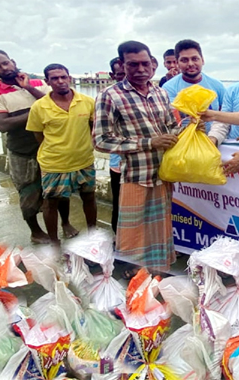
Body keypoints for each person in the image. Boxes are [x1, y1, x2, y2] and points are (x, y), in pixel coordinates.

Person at [93, 40, 182, 275]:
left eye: (145, 64)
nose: (140, 69)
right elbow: (101, 141)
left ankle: (156, 268)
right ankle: (133, 271)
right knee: (133, 229)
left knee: (160, 227)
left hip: (163, 172)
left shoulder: (160, 93)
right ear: (122, 65)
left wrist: (191, 129)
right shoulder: (109, 96)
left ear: (152, 64)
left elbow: (172, 126)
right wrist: (149, 143)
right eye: (133, 65)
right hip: (135, 174)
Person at [0, 49, 79, 244]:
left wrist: (28, 88)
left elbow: (56, 103)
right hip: (22, 151)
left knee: (61, 190)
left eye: (5, 63)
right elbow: (3, 124)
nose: (4, 68)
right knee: (28, 193)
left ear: (12, 61)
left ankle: (66, 223)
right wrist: (39, 112)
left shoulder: (38, 84)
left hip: (51, 147)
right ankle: (35, 231)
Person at [25, 64, 97, 244]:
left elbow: (93, 127)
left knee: (89, 197)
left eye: (63, 77)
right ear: (47, 82)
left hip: (84, 161)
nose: (60, 81)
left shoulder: (87, 102)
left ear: (69, 78)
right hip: (54, 164)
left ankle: (93, 236)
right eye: (55, 78)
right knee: (51, 202)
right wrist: (59, 150)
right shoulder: (39, 107)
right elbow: (38, 135)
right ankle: (55, 242)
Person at [162, 39, 226, 133]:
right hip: (183, 141)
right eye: (184, 60)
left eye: (195, 59)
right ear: (177, 63)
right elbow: (172, 122)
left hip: (214, 140)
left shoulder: (217, 86)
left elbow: (224, 118)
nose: (190, 64)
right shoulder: (168, 89)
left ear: (202, 60)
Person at [106, 58, 125, 233]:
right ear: (113, 75)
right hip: (120, 163)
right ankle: (118, 239)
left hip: (149, 164)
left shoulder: (154, 94)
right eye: (121, 74)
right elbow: (101, 139)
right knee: (120, 204)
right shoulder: (108, 97)